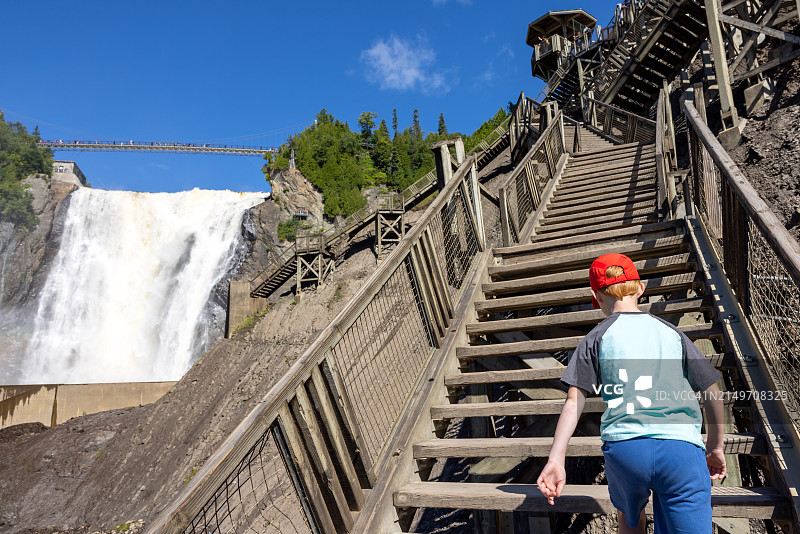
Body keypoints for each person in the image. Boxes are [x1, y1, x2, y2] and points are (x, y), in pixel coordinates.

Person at [536, 252, 727, 533]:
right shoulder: (673, 333)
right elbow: (713, 393)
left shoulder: (595, 338)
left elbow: (573, 402)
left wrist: (556, 458)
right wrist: (715, 447)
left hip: (626, 449)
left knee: (629, 518)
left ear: (597, 297)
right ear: (640, 288)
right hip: (681, 447)